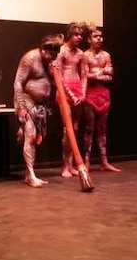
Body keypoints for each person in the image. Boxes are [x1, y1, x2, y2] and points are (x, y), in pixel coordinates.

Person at [13, 34, 64, 187]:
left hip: (40, 105)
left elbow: (52, 83)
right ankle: (30, 174)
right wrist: (21, 107)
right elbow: (18, 83)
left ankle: (30, 174)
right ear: (42, 50)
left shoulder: (51, 62)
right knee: (31, 135)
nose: (52, 58)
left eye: (55, 55)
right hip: (26, 101)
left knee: (34, 139)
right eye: (50, 54)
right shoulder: (30, 58)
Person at [81, 26, 121, 172]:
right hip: (90, 95)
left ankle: (104, 161)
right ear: (89, 39)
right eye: (96, 36)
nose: (99, 39)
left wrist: (96, 73)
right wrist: (101, 72)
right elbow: (85, 76)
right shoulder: (85, 56)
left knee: (102, 129)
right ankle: (86, 162)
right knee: (89, 128)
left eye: (100, 36)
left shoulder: (106, 55)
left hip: (104, 95)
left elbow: (110, 76)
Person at [55, 21, 88, 178]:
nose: (79, 37)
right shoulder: (61, 51)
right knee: (67, 130)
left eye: (81, 35)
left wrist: (82, 92)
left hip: (77, 89)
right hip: (65, 91)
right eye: (76, 34)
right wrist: (71, 94)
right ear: (69, 35)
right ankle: (64, 166)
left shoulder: (81, 54)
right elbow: (59, 75)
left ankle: (71, 164)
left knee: (74, 129)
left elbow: (84, 74)